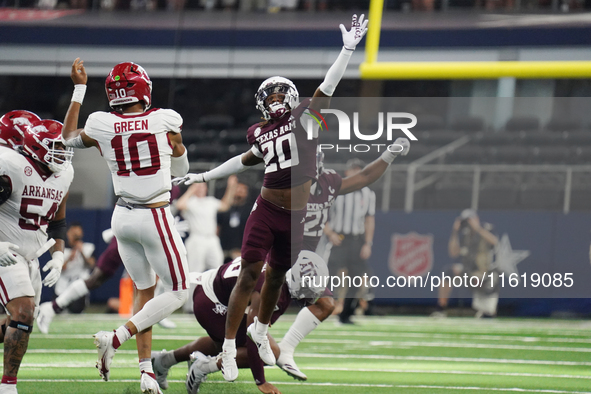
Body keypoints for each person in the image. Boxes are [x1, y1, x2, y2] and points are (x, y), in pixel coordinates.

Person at [173, 14, 368, 381]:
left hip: (292, 217)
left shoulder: (306, 119)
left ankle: (260, 333)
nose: (277, 102)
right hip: (266, 209)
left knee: (276, 278)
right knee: (249, 275)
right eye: (272, 98)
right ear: (264, 104)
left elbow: (328, 86)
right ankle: (229, 349)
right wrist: (201, 174)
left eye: (282, 96)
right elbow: (239, 162)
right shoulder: (259, 133)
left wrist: (347, 50)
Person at [61, 58, 190, 394]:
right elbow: (180, 167)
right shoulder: (165, 118)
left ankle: (146, 372)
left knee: (145, 292)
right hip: (154, 214)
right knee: (179, 290)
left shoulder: (101, 123)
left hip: (122, 217)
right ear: (143, 89)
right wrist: (177, 147)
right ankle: (115, 338)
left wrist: (79, 88)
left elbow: (68, 137)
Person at [277, 140, 410, 380]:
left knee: (326, 304)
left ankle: (285, 349)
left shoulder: (329, 182)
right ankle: (221, 354)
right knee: (263, 312)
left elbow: (366, 176)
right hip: (279, 251)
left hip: (307, 257)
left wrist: (389, 154)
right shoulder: (286, 183)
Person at [151, 251, 328, 394]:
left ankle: (163, 361)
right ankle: (203, 366)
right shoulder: (269, 287)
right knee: (269, 351)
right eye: (309, 290)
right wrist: (261, 381)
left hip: (214, 288)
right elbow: (254, 336)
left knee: (221, 344)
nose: (311, 296)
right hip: (210, 301)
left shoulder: (282, 270)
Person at [0, 120, 74, 394]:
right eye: (54, 146)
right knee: (24, 312)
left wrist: (58, 256)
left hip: (31, 257)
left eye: (63, 147)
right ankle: (8, 386)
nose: (62, 153)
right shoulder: (11, 165)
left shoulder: (65, 173)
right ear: (33, 147)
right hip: (4, 252)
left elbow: (57, 222)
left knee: (17, 323)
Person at [322, 158, 376, 325]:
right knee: (329, 275)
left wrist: (368, 243)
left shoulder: (368, 193)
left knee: (357, 278)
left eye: (359, 170)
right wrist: (330, 233)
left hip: (356, 240)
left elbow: (369, 220)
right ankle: (323, 308)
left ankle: (346, 314)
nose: (356, 173)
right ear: (347, 172)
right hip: (339, 238)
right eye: (353, 170)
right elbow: (321, 212)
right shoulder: (336, 190)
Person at [175, 175, 237, 312]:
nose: (201, 188)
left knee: (218, 271)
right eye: (199, 186)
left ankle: (220, 303)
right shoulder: (191, 202)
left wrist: (231, 187)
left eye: (203, 186)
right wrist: (191, 189)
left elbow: (225, 205)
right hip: (197, 240)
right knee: (194, 272)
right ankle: (189, 306)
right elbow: (179, 205)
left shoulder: (210, 201)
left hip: (212, 240)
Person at [433, 209, 499, 318]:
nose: (468, 223)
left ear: (476, 219)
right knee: (448, 271)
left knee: (488, 314)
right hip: (468, 271)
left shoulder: (486, 228)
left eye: (469, 220)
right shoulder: (464, 233)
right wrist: (455, 232)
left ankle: (486, 309)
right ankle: (441, 308)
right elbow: (453, 253)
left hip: (486, 273)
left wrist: (477, 228)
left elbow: (495, 242)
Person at [53, 222, 96, 314]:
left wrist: (82, 252)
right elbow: (58, 268)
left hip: (79, 284)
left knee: (76, 310)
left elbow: (92, 264)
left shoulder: (88, 248)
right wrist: (69, 258)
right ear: (68, 234)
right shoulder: (61, 249)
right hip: (63, 285)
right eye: (73, 234)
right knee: (57, 310)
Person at [217, 180, 251, 261]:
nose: (240, 191)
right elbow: (217, 227)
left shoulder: (249, 210)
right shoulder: (224, 208)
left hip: (241, 249)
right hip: (223, 247)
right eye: (238, 188)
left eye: (243, 189)